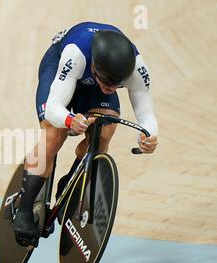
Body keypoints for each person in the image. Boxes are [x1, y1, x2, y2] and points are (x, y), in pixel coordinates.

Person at [12, 22, 159, 244]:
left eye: (117, 84)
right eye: (107, 82)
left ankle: (69, 182)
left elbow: (146, 114)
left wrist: (150, 136)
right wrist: (70, 119)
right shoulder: (76, 54)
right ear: (94, 68)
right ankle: (23, 209)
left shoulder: (136, 68)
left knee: (104, 133)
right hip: (59, 69)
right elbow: (53, 108)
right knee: (54, 135)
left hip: (91, 83)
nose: (111, 88)